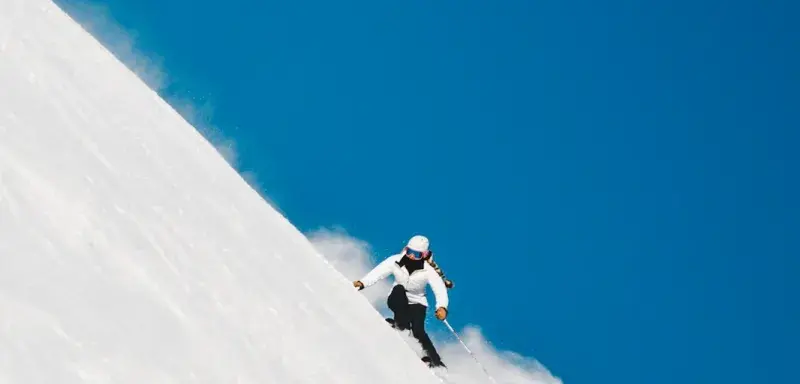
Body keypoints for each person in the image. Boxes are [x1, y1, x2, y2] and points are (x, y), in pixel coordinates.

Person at [353, 235, 450, 368]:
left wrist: (442, 307)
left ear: (424, 254)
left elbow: (439, 289)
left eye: (416, 254)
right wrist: (362, 283)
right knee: (399, 290)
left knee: (418, 331)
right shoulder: (395, 260)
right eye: (409, 252)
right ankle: (401, 325)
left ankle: (435, 361)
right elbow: (379, 272)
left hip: (417, 301)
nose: (411, 256)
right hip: (398, 297)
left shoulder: (428, 270)